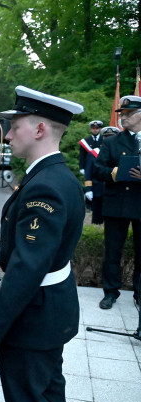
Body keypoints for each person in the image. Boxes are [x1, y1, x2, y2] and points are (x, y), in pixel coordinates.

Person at [0, 86, 85, 402]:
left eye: (15, 125)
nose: (8, 134)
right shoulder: (56, 176)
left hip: (33, 319)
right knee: (47, 400)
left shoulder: (45, 185)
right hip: (50, 311)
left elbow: (27, 267)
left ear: (39, 129)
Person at [93, 95, 141, 310]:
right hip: (117, 203)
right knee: (113, 251)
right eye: (122, 114)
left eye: (128, 114)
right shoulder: (111, 142)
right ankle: (110, 292)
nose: (123, 118)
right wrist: (114, 172)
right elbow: (97, 170)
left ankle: (139, 293)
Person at [84, 126, 119, 225]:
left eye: (111, 136)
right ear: (103, 138)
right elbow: (88, 172)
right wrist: (88, 189)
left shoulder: (120, 153)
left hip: (115, 190)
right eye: (106, 137)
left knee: (113, 220)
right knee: (97, 219)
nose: (108, 139)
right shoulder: (95, 153)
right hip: (98, 189)